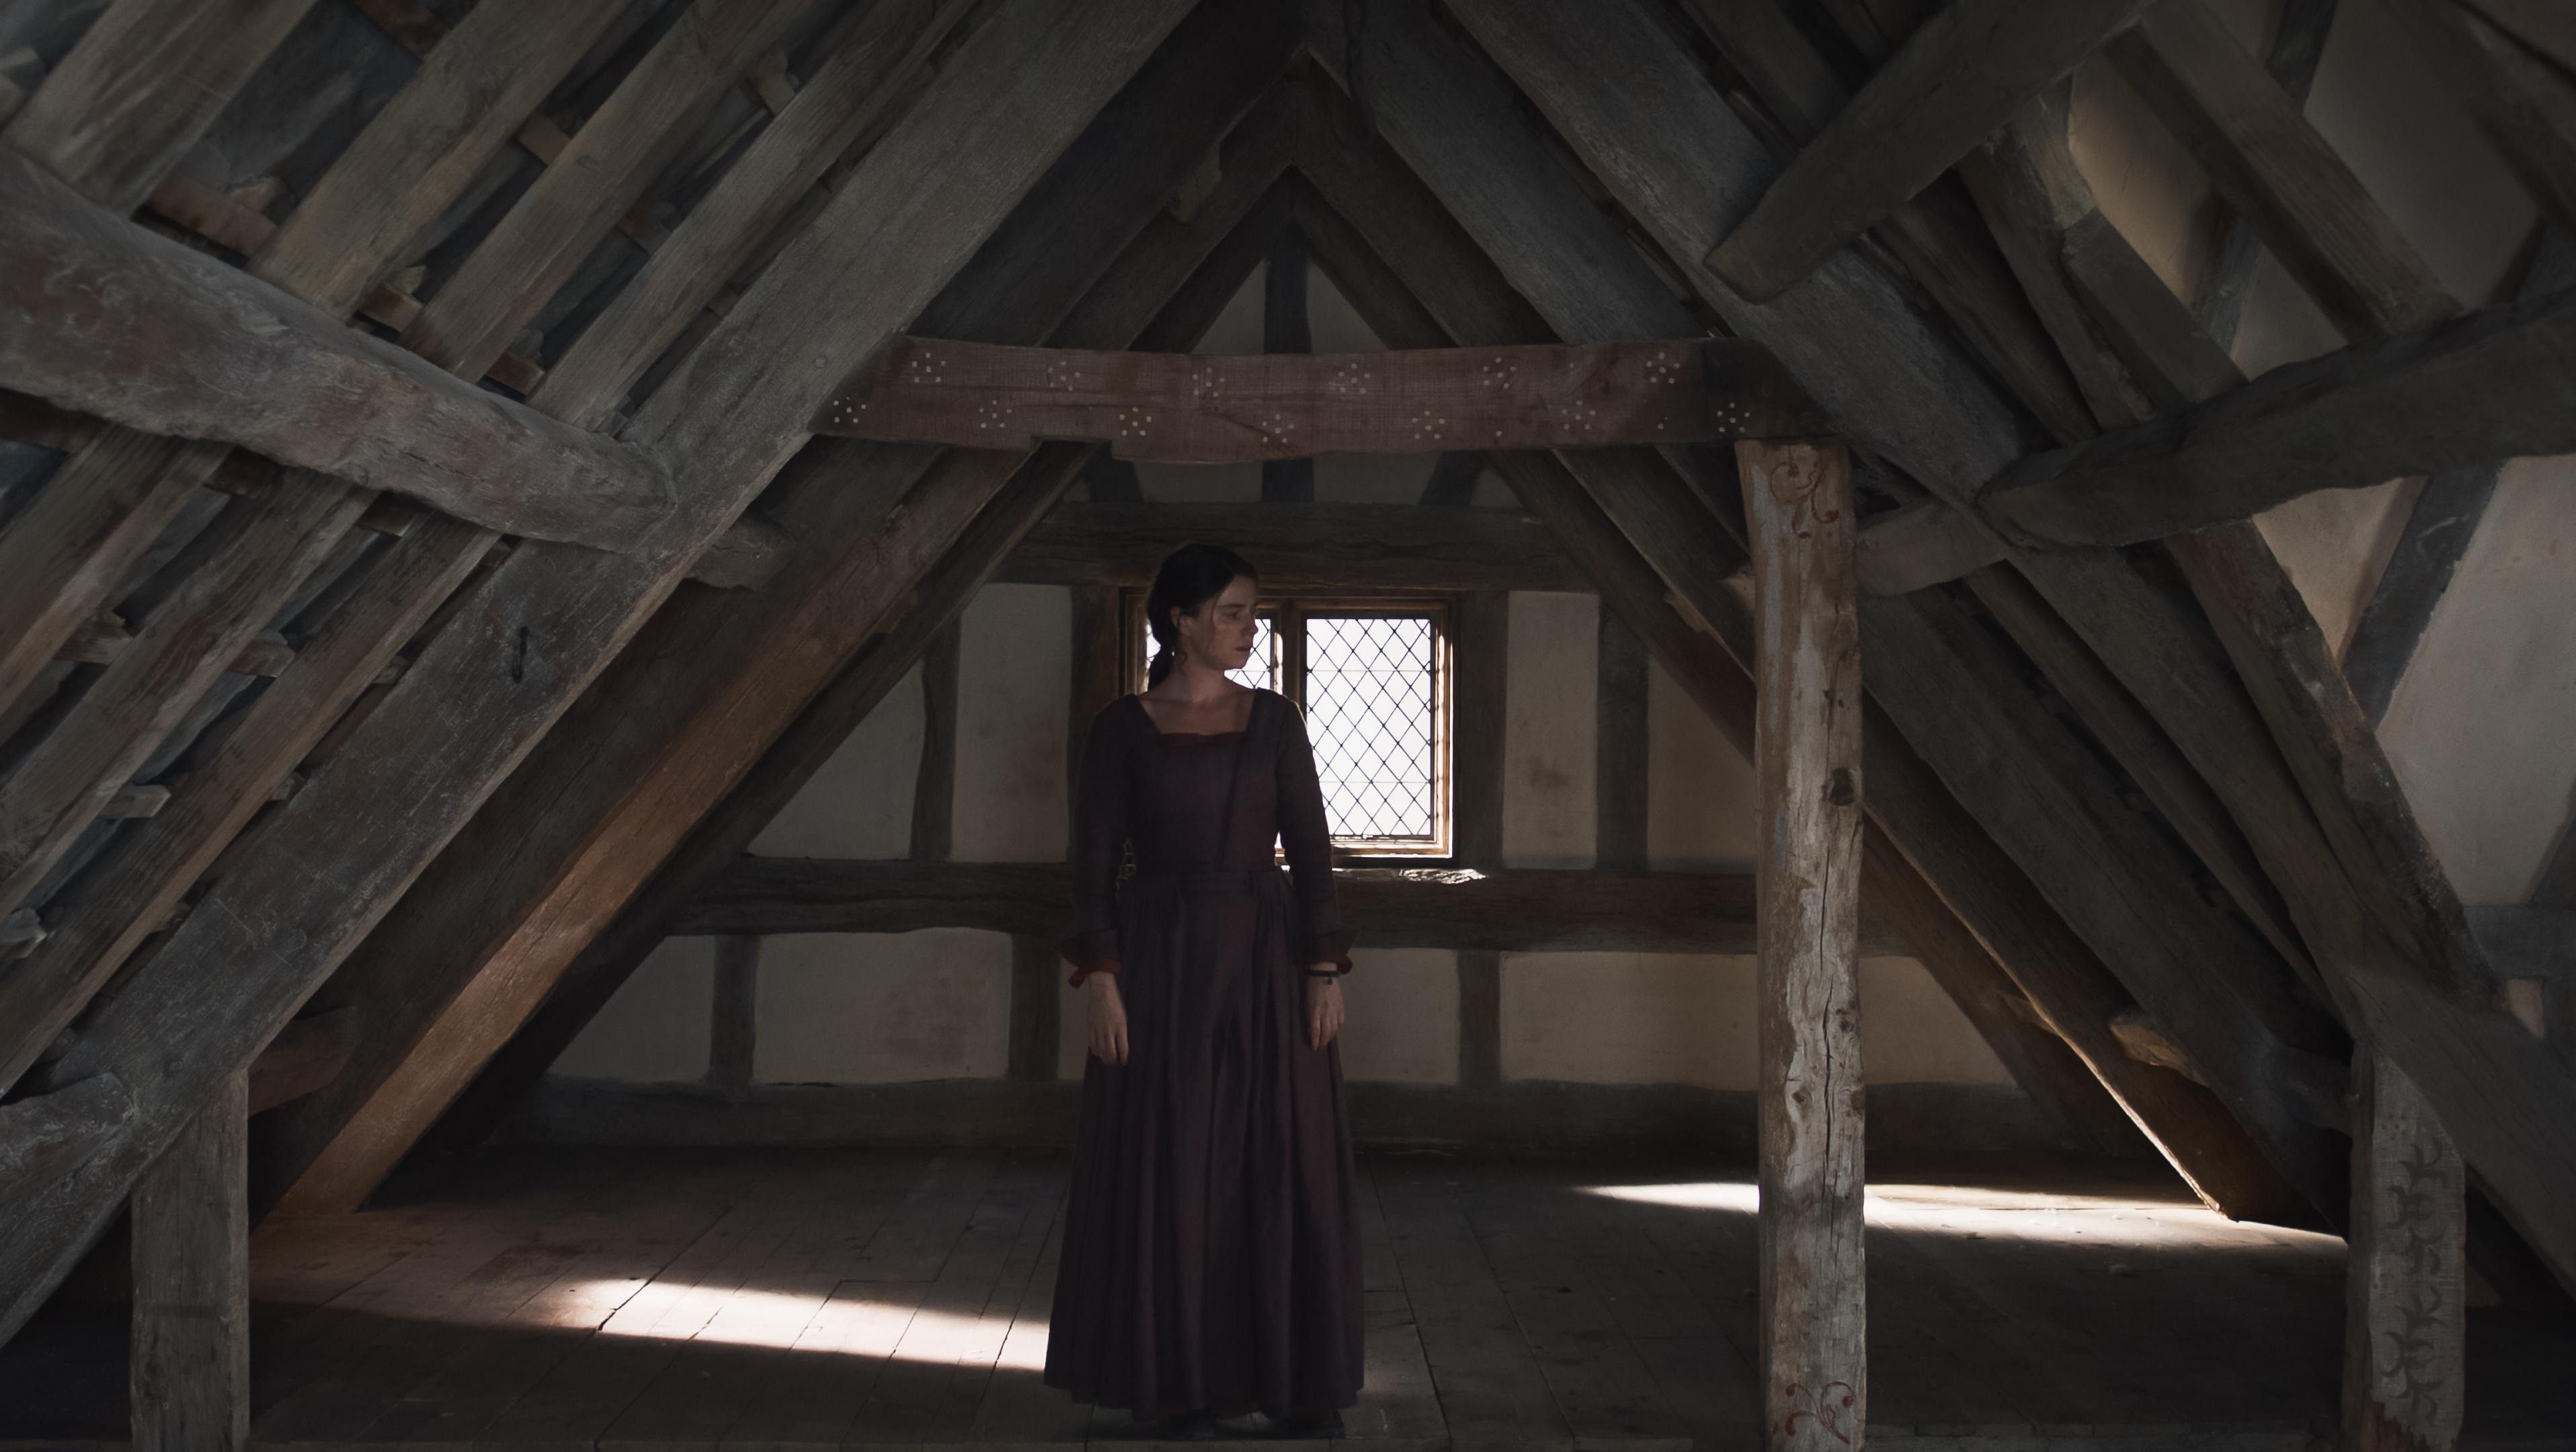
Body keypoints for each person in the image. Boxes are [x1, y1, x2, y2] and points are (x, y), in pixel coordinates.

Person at [1042, 544, 1365, 1439]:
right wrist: (1102, 982)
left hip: (1266, 956)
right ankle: (1177, 1381)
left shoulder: (1275, 721)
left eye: (1251, 612)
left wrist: (1321, 967)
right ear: (1179, 620)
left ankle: (1294, 1382)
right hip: (1159, 959)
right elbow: (1095, 863)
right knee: (1174, 1163)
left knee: (1279, 1156)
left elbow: (1309, 847)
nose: (1247, 628)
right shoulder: (1122, 729)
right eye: (1230, 612)